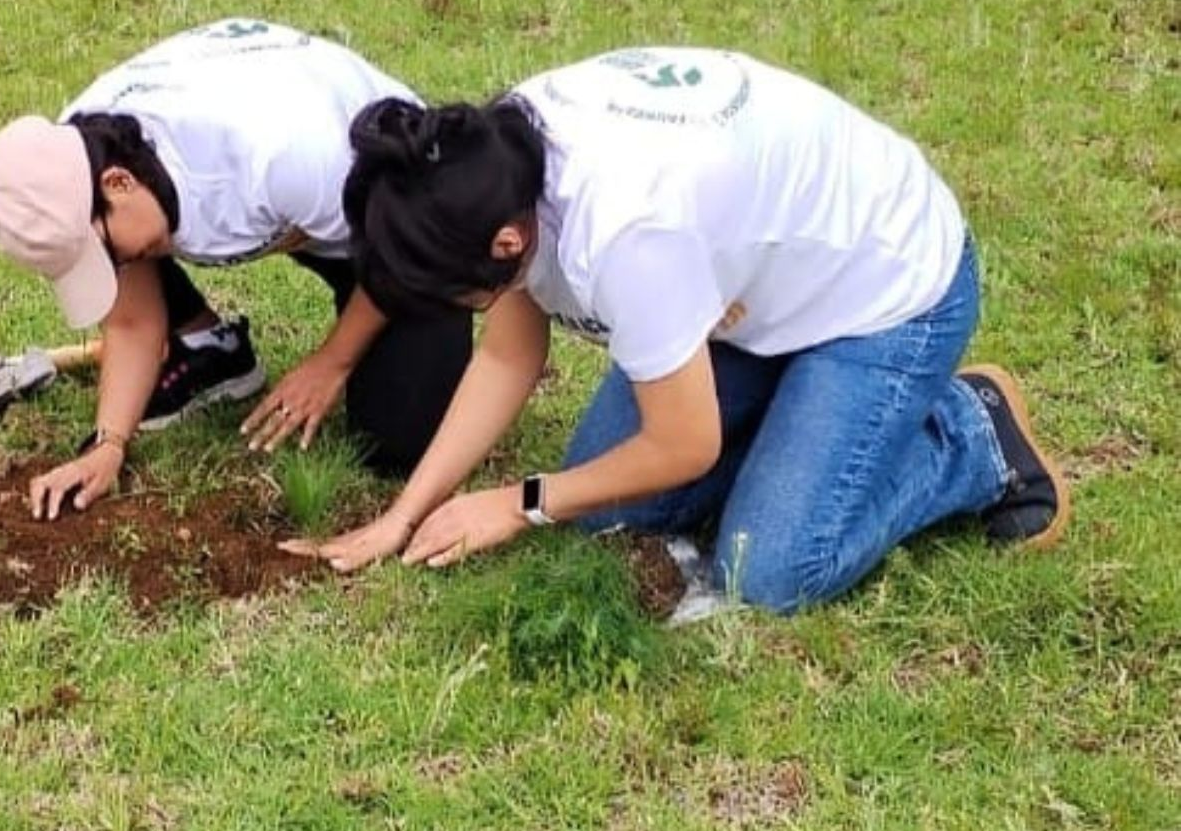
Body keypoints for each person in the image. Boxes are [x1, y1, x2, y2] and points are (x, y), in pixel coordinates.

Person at [282, 47, 1070, 614]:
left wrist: (518, 501)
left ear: (507, 244)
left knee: (766, 571)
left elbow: (682, 446)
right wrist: (405, 514)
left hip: (885, 292)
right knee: (601, 507)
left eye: (455, 292)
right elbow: (508, 355)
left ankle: (974, 434)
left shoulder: (627, 235)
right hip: (750, 299)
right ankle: (801, 427)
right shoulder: (493, 168)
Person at [0, 19, 472, 518]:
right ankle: (210, 352)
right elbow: (133, 322)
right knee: (139, 243)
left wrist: (331, 362)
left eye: (104, 254)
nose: (110, 269)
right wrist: (108, 444)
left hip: (410, 208)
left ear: (118, 182)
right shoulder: (80, 152)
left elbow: (408, 247)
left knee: (399, 442)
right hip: (297, 210)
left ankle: (349, 324)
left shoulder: (285, 155)